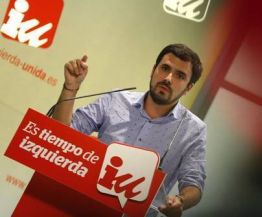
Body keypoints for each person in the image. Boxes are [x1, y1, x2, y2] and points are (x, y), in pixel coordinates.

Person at [52, 44, 206, 217]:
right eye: (165, 68)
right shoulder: (115, 99)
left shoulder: (193, 130)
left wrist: (180, 201)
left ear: (188, 88)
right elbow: (60, 136)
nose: (168, 78)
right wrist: (70, 87)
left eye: (180, 75)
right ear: (153, 69)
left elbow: (194, 182)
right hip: (80, 208)